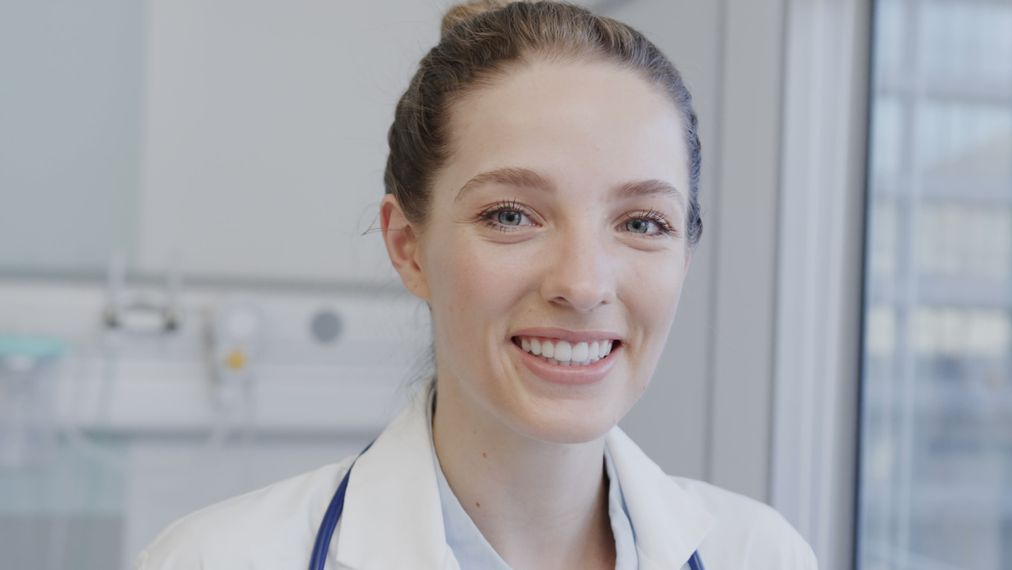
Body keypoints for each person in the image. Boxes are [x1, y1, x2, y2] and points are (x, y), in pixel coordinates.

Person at [135, 1, 817, 568]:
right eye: (511, 215)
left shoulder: (761, 554)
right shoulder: (218, 558)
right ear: (408, 248)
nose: (582, 284)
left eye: (642, 222)